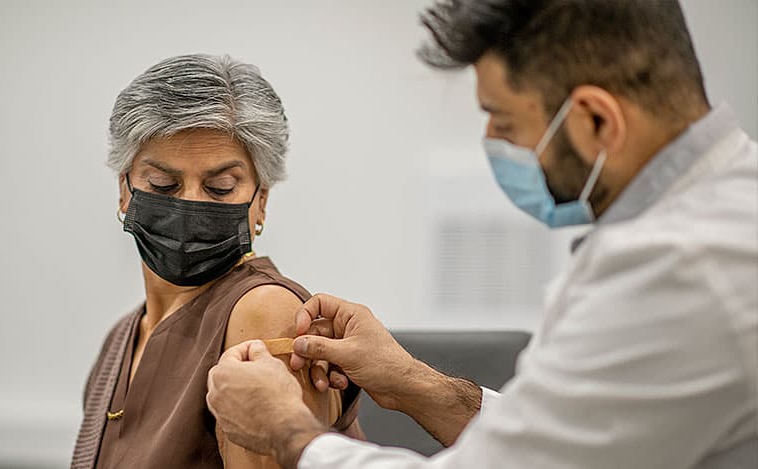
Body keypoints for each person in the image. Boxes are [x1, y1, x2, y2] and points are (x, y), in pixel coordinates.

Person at [206, 1, 758, 468]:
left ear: (595, 120)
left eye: (505, 122)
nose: (491, 140)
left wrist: (290, 434)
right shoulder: (721, 214)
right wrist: (415, 383)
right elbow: (564, 442)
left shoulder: (684, 267)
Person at [70, 54, 361, 469]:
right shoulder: (121, 338)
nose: (190, 204)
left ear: (260, 201)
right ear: (124, 190)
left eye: (220, 187)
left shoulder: (263, 313)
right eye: (163, 184)